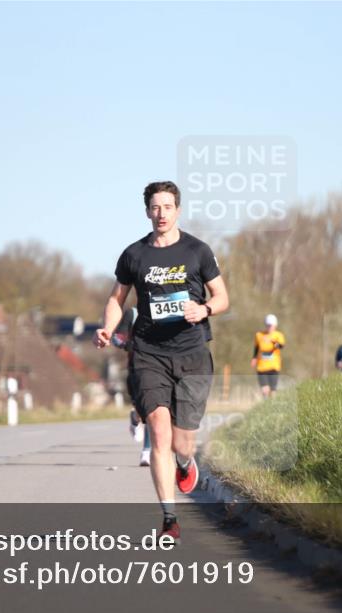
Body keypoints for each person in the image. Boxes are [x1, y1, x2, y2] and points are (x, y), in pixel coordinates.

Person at [95, 180, 229, 543]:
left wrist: (202, 309)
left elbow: (222, 298)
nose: (161, 214)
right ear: (147, 212)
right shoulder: (134, 255)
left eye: (167, 207)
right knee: (158, 432)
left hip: (192, 354)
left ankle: (186, 463)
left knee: (183, 443)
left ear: (178, 210)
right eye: (155, 207)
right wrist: (107, 327)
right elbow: (116, 298)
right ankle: (170, 519)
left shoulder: (198, 251)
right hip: (149, 353)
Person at [111, 306, 151, 466]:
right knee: (144, 411)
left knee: (153, 411)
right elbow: (116, 338)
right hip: (137, 368)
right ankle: (135, 418)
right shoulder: (132, 313)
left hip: (161, 368)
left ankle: (147, 451)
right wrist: (127, 344)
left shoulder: (167, 310)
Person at [251, 314, 285, 399]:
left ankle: (272, 406)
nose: (269, 327)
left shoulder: (278, 335)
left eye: (271, 325)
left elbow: (281, 346)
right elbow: (256, 347)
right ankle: (265, 404)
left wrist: (273, 342)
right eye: (267, 325)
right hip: (261, 367)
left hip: (273, 366)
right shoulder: (259, 335)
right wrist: (254, 358)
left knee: (273, 390)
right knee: (265, 389)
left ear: (275, 325)